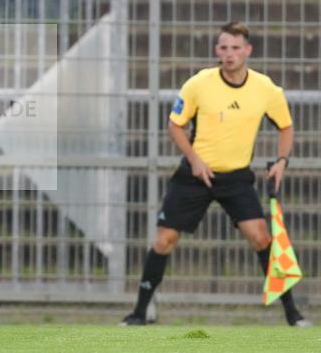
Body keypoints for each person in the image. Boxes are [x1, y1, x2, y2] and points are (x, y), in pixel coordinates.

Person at [121, 22, 310, 327]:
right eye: (224, 48)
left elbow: (286, 127)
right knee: (164, 239)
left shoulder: (266, 89)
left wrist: (281, 161)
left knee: (261, 237)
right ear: (217, 51)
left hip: (236, 178)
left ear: (247, 50)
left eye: (236, 48)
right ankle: (140, 312)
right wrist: (195, 160)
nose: (229, 54)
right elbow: (175, 125)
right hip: (195, 175)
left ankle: (293, 314)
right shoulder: (199, 84)